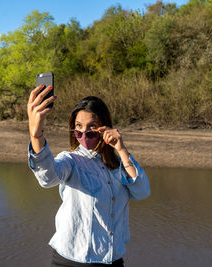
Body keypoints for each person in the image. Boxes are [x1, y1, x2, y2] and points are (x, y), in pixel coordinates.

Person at [27, 84, 151, 267]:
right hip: (71, 262)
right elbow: (47, 177)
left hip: (113, 260)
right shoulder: (71, 161)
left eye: (92, 127)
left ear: (105, 127)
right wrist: (36, 136)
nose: (84, 134)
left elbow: (142, 191)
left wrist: (121, 149)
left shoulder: (118, 166)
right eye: (78, 128)